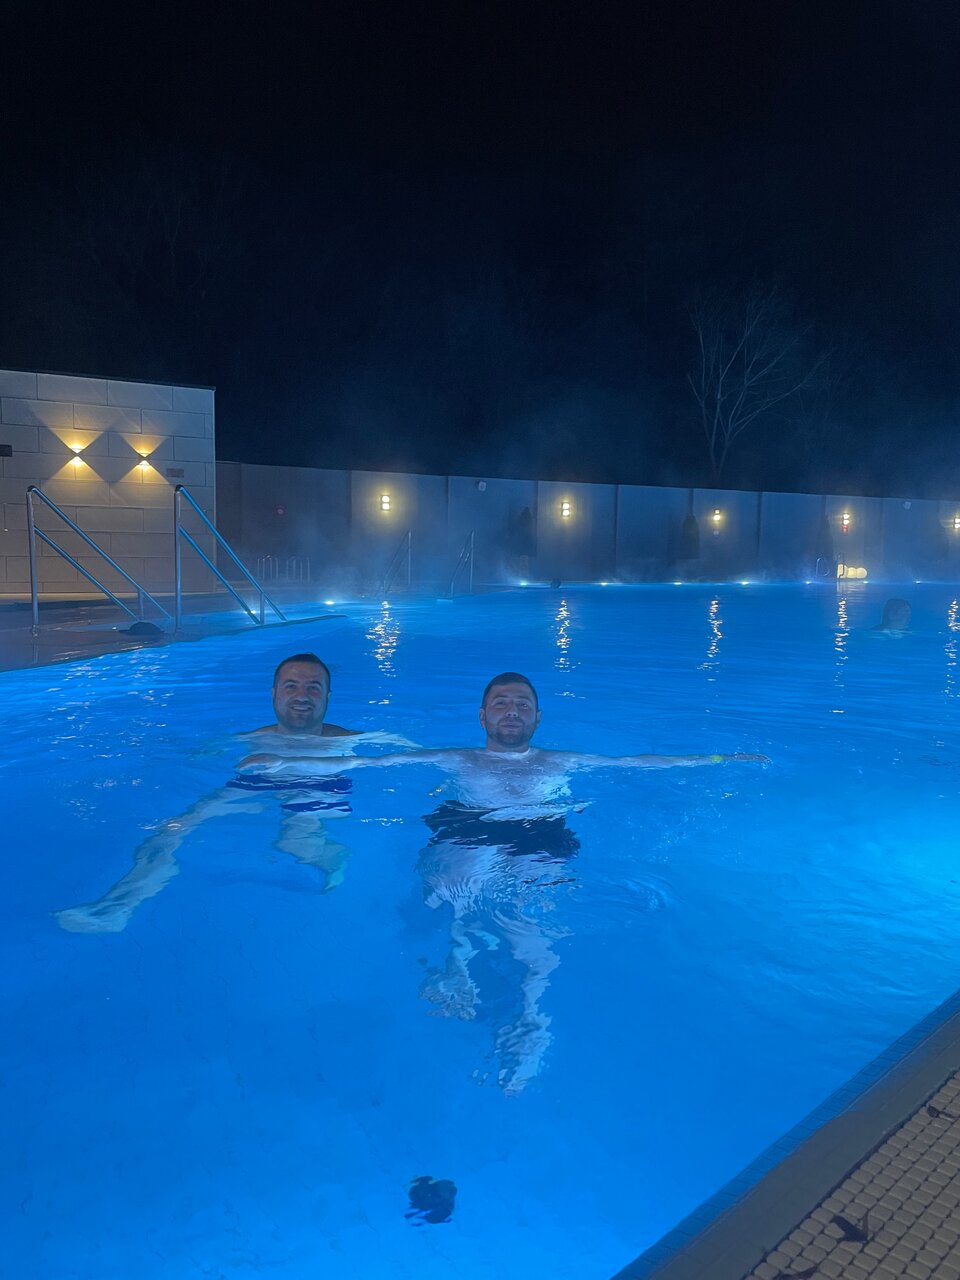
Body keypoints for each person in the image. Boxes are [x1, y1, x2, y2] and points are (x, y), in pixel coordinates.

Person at [242, 672, 768, 1094]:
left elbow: (639, 764)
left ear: (537, 717)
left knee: (533, 926)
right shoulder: (457, 757)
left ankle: (532, 1014)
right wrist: (286, 760)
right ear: (483, 716)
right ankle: (459, 962)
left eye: (522, 704)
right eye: (500, 703)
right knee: (459, 886)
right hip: (470, 828)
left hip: (541, 836)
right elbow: (376, 761)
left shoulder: (562, 759)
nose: (511, 710)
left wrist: (718, 759)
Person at [53, 654, 395, 934]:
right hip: (257, 782)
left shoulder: (352, 739)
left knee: (296, 839)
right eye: (291, 686)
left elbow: (413, 755)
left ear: (328, 696)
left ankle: (333, 856)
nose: (301, 696)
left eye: (313, 688)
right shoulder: (252, 739)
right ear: (274, 693)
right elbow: (191, 754)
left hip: (318, 785)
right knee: (175, 827)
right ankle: (119, 905)